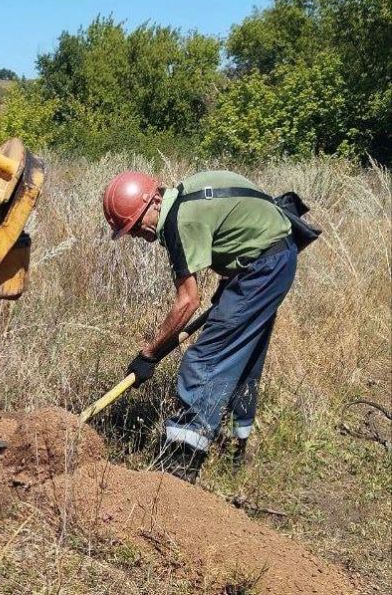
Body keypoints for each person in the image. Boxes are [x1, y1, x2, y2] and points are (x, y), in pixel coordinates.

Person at [102, 169, 297, 483]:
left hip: (263, 267)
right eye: (130, 231)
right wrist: (233, 278)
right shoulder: (183, 199)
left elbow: (187, 301)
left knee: (205, 359)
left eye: (136, 225)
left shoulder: (178, 221)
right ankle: (233, 447)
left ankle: (181, 463)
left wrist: (149, 355)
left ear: (154, 200)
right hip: (272, 256)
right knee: (243, 356)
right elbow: (236, 222)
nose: (137, 234)